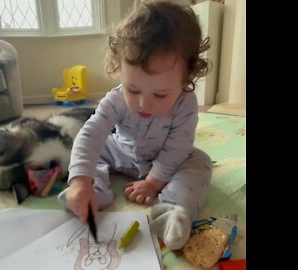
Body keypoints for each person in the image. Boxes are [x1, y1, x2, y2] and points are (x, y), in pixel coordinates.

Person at [58, 0, 213, 250]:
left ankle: (172, 210)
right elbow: (92, 133)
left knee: (200, 162)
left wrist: (153, 182)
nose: (143, 103)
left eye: (160, 95)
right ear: (119, 69)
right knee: (91, 153)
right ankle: (92, 193)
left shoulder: (186, 103)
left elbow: (177, 147)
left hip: (166, 159)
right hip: (121, 152)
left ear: (187, 78)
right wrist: (80, 180)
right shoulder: (116, 100)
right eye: (133, 89)